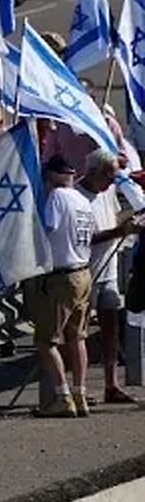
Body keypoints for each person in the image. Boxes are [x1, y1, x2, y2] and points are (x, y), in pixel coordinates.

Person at [35, 155, 137, 417]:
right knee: (77, 337)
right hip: (85, 272)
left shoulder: (57, 197)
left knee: (48, 340)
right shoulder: (80, 198)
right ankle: (79, 393)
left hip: (64, 274)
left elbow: (47, 229)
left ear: (52, 176)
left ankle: (63, 395)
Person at [78, 149, 139, 405]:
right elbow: (84, 239)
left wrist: (128, 225)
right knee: (78, 331)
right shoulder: (77, 197)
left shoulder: (108, 192)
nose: (112, 183)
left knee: (111, 328)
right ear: (94, 173)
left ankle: (111, 383)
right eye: (108, 177)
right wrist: (118, 231)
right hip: (87, 271)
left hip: (109, 269)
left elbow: (113, 218)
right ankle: (76, 387)